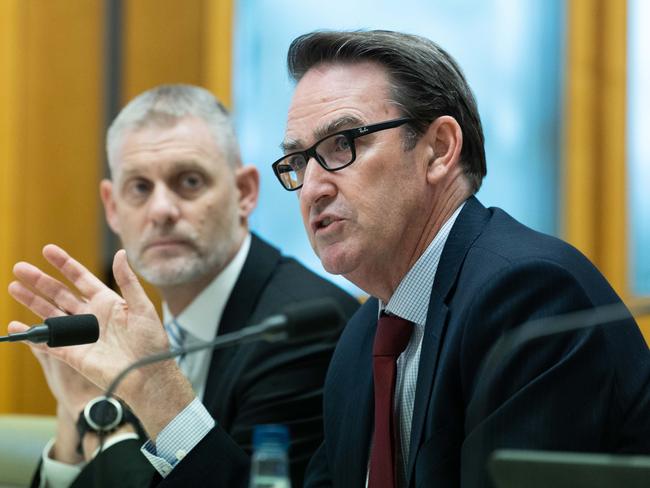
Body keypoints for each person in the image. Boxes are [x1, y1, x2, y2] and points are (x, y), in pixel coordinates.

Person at [8, 31, 650, 488]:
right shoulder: (362, 342)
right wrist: (156, 394)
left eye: (341, 144)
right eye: (298, 160)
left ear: (438, 149)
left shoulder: (526, 295)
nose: (313, 185)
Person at [8, 84, 359, 488]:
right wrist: (72, 436)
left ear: (244, 192)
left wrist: (98, 418)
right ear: (112, 207)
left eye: (189, 181)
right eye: (139, 187)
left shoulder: (296, 330)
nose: (161, 210)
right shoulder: (135, 331)